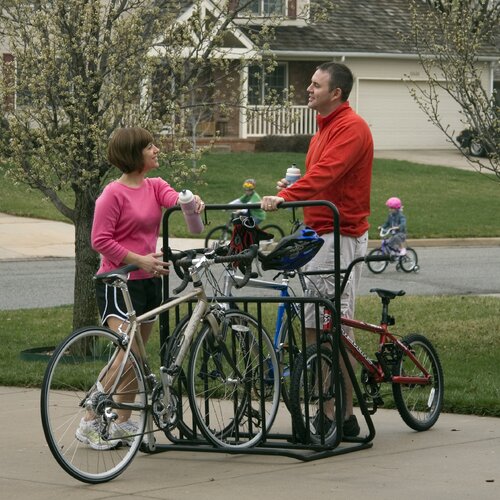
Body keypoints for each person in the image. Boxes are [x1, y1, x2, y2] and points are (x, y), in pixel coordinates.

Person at [260, 62, 373, 438]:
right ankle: (339, 415)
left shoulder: (351, 128)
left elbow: (328, 174)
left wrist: (289, 195)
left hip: (340, 234)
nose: (308, 89)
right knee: (313, 327)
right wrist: (290, 189)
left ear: (335, 93)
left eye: (315, 84)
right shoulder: (322, 130)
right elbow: (319, 177)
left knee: (326, 327)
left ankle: (338, 415)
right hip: (317, 234)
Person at [76, 126, 204, 450]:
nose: (157, 150)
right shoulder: (112, 194)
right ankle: (90, 419)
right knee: (127, 355)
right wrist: (140, 260)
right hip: (118, 282)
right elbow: (100, 241)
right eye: (150, 146)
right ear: (135, 154)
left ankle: (121, 422)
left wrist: (191, 201)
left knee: (138, 357)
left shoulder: (155, 186)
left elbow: (174, 199)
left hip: (149, 282)